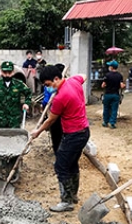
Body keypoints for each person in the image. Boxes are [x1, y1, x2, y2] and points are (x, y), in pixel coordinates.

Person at [31, 66, 89, 212]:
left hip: (73, 134)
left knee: (61, 166)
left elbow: (50, 120)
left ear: (56, 79)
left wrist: (37, 132)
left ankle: (67, 201)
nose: (47, 88)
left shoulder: (60, 97)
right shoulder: (74, 81)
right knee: (71, 164)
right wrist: (66, 81)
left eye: (48, 85)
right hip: (84, 131)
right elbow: (83, 74)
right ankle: (73, 196)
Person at [0, 61, 32, 128]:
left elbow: (28, 93)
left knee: (15, 137)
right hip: (0, 118)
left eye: (9, 72)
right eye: (5, 72)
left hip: (14, 118)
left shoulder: (18, 84)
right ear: (1, 72)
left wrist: (26, 103)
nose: (7, 75)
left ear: (13, 72)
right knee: (0, 136)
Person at [42, 63, 65, 153]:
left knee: (56, 132)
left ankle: (58, 151)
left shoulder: (61, 88)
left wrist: (44, 105)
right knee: (58, 133)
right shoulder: (49, 85)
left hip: (55, 112)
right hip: (55, 110)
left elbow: (46, 100)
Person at [101, 60, 125, 129]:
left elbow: (103, 85)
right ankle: (112, 123)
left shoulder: (107, 75)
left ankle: (105, 122)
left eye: (110, 66)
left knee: (106, 108)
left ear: (111, 67)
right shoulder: (119, 75)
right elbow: (121, 86)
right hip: (115, 94)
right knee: (114, 109)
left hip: (108, 94)